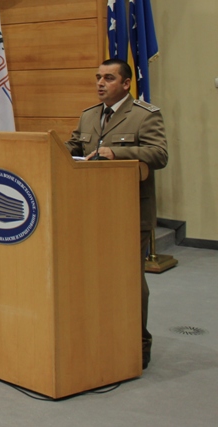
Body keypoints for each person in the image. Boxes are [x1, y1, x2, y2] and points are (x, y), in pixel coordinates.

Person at [65, 59, 167, 370]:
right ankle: (103, 334)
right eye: (98, 77)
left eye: (108, 78)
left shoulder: (144, 115)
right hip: (91, 211)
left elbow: (159, 154)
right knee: (95, 277)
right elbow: (73, 146)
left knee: (128, 278)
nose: (100, 83)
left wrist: (117, 152)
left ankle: (138, 341)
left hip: (130, 211)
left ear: (126, 83)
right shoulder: (89, 115)